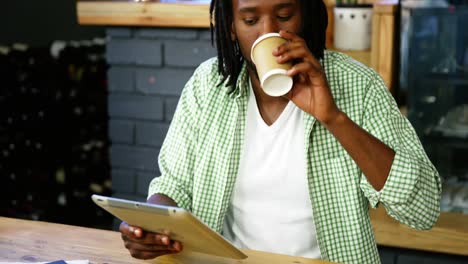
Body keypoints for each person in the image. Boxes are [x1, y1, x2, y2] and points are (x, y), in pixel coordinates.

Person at [119, 0, 442, 263]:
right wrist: (152, 227)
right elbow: (174, 184)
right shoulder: (209, 85)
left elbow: (422, 209)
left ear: (306, 15)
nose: (270, 32)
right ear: (231, 27)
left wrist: (333, 118)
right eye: (249, 20)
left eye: (285, 15)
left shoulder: (358, 85)